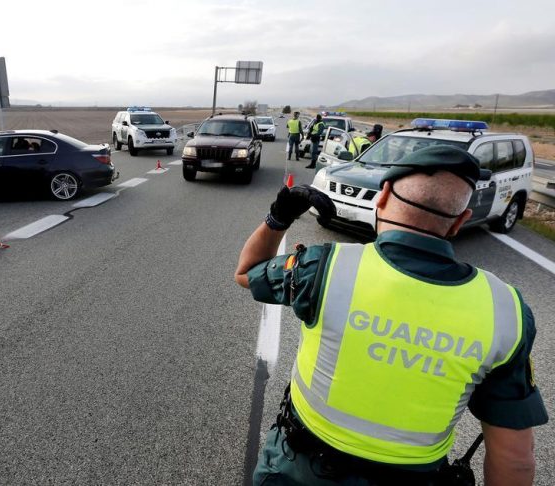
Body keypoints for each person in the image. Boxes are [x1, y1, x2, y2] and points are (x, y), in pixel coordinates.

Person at [235, 145, 548, 485]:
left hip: (300, 471)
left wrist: (279, 216)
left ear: (381, 198)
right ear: (460, 222)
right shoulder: (506, 311)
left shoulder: (324, 267)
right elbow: (514, 459)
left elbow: (247, 273)